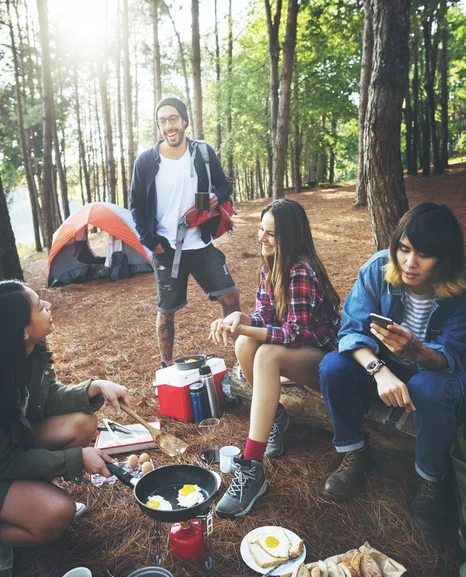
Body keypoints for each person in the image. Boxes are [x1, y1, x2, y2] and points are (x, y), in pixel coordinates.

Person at [319, 202, 466, 535]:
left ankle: (431, 480)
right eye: (403, 249)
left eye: (424, 255)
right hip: (383, 367)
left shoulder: (460, 290)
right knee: (332, 367)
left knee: (429, 387)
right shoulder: (377, 270)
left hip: (432, 374)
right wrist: (378, 369)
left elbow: (454, 358)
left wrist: (416, 350)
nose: (410, 263)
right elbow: (351, 330)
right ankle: (355, 452)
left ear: (444, 258)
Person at [209, 199, 341, 519]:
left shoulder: (300, 270)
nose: (261, 238)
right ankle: (277, 418)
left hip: (324, 358)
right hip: (297, 349)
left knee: (265, 353)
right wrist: (239, 318)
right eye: (261, 229)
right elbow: (265, 315)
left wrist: (246, 327)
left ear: (291, 238)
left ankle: (252, 468)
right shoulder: (270, 264)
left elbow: (294, 334)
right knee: (243, 343)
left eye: (271, 234)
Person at [0, 280, 129, 547]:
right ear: (22, 330)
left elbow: (45, 400)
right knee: (56, 514)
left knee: (82, 423)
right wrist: (76, 458)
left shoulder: (28, 351)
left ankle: (28, 497)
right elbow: (6, 462)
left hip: (11, 447)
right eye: (39, 306)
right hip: (4, 461)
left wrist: (95, 387)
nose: (48, 306)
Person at [130, 96, 240, 367]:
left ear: (184, 121)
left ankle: (243, 357)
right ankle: (166, 366)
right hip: (167, 249)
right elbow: (135, 206)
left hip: (200, 243)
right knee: (166, 311)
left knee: (231, 296)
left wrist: (215, 196)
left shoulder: (202, 152)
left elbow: (224, 186)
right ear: (159, 126)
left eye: (173, 118)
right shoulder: (146, 162)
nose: (169, 125)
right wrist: (152, 243)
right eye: (163, 121)